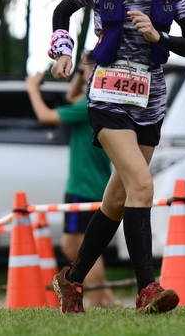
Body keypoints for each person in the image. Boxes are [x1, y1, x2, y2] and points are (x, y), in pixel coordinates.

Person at [47, 0, 185, 314]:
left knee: (116, 200)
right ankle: (147, 288)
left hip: (150, 100)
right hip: (107, 95)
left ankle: (71, 280)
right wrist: (62, 51)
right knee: (142, 186)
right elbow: (62, 10)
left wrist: (158, 36)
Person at [25, 50, 118, 308]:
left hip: (83, 187)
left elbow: (46, 117)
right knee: (73, 246)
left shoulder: (89, 104)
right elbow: (71, 96)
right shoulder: (101, 100)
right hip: (92, 185)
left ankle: (102, 300)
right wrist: (80, 71)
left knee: (83, 249)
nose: (81, 72)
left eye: (84, 67)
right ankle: (105, 297)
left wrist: (32, 89)